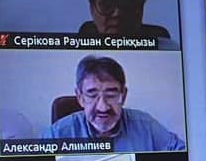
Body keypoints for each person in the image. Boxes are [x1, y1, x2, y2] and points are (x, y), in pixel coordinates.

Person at [47, 55, 185, 152]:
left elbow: (184, 155)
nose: (103, 107)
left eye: (111, 95)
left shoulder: (146, 126)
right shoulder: (57, 134)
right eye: (92, 95)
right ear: (80, 97)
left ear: (123, 96)